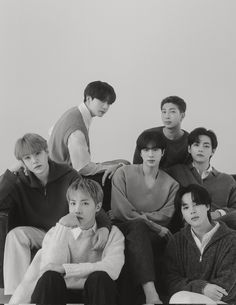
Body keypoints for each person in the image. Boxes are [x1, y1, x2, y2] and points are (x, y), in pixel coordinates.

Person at [0, 133, 111, 295]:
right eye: (27, 158)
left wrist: (104, 227)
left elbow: (90, 202)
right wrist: (10, 172)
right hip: (38, 234)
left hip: (65, 234)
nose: (34, 161)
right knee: (15, 235)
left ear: (46, 152)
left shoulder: (68, 175)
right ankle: (17, 296)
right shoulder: (18, 181)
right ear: (22, 162)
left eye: (38, 154)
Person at [10, 177, 125, 305]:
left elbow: (112, 269)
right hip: (60, 290)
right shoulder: (56, 231)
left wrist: (66, 269)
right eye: (73, 203)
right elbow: (51, 267)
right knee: (49, 278)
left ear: (97, 207)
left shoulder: (113, 233)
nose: (77, 209)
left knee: (101, 278)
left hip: (94, 291)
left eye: (85, 203)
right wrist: (62, 227)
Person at [111, 130, 179, 304]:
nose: (150, 154)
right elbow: (121, 211)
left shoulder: (172, 184)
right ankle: (150, 293)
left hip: (151, 235)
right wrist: (153, 224)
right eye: (146, 149)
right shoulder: (123, 173)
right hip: (121, 227)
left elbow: (166, 215)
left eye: (155, 150)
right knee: (138, 227)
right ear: (140, 152)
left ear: (162, 153)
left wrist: (140, 216)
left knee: (141, 230)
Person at [48, 80, 129, 211]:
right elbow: (82, 168)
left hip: (61, 170)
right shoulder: (76, 128)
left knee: (122, 163)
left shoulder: (74, 112)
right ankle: (110, 214)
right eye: (102, 101)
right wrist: (109, 167)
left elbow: (51, 131)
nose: (106, 107)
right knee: (117, 171)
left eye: (109, 103)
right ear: (89, 98)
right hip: (66, 179)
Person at [164, 184, 236, 304]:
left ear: (208, 206)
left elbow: (229, 285)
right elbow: (170, 281)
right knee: (180, 298)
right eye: (186, 208)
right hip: (186, 300)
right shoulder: (176, 241)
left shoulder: (232, 239)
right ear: (182, 213)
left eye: (196, 204)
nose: (192, 211)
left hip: (223, 302)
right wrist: (202, 288)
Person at [166, 127, 236, 232]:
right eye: (196, 145)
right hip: (189, 227)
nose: (200, 149)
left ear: (213, 151)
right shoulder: (176, 172)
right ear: (189, 149)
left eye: (206, 146)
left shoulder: (227, 180)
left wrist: (218, 213)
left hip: (221, 227)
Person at [133, 96, 188, 169]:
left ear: (182, 115)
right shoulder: (149, 135)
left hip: (177, 179)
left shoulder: (189, 141)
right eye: (164, 112)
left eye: (172, 112)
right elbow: (136, 165)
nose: (167, 116)